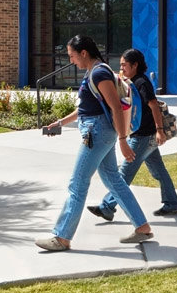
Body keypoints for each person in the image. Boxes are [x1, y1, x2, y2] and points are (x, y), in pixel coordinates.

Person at [35, 36, 154, 251]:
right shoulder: (94, 72)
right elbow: (85, 108)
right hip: (98, 131)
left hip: (97, 133)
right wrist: (60, 123)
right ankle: (142, 227)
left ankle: (62, 238)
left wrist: (123, 140)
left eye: (72, 56)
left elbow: (116, 107)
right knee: (114, 180)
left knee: (77, 184)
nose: (71, 61)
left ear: (84, 53)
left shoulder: (99, 73)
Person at [87, 48, 177, 221]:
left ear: (135, 65)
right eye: (121, 65)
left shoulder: (141, 82)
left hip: (143, 136)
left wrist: (160, 131)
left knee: (124, 173)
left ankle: (107, 207)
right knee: (159, 171)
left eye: (124, 65)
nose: (122, 68)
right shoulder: (131, 81)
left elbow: (154, 105)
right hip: (145, 135)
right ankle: (172, 203)